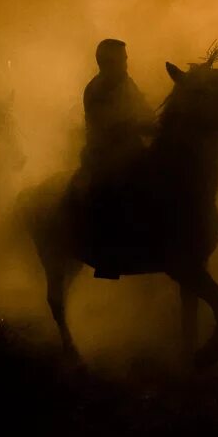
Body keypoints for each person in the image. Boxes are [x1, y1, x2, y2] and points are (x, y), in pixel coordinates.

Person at [77, 39, 156, 279]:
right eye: (122, 59)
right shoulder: (96, 89)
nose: (126, 63)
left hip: (132, 150)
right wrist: (137, 125)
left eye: (125, 58)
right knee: (112, 193)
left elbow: (143, 109)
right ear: (107, 62)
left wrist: (154, 122)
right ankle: (108, 257)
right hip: (105, 156)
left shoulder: (127, 83)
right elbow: (105, 126)